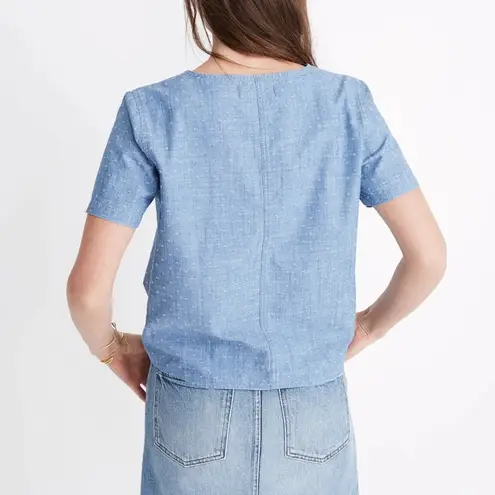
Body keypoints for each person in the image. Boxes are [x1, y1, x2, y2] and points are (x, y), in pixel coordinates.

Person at [66, 1, 447, 493]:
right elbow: (428, 257)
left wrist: (112, 350)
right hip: (313, 410)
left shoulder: (152, 110)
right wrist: (369, 326)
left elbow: (87, 293)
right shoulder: (346, 104)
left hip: (190, 411)